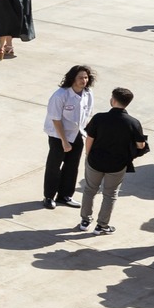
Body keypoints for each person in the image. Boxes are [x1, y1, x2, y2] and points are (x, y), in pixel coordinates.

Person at [80, 86, 148, 235]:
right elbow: (140, 144)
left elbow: (90, 138)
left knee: (90, 190)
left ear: (114, 100)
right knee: (110, 194)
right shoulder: (133, 122)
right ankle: (102, 225)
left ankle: (85, 220)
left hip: (95, 161)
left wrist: (88, 155)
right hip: (117, 164)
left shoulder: (99, 118)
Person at [44, 63, 96, 210]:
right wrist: (64, 141)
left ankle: (65, 195)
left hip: (77, 133)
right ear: (72, 78)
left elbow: (88, 115)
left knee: (72, 166)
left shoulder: (88, 93)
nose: (84, 81)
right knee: (54, 166)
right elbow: (56, 119)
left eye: (86, 77)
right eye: (80, 78)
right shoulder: (60, 95)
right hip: (58, 135)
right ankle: (49, 196)